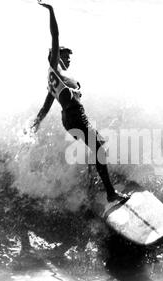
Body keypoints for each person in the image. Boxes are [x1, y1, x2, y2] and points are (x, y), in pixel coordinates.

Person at [32, 1, 129, 203]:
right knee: (99, 148)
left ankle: (93, 183)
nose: (68, 61)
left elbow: (45, 107)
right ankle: (110, 193)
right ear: (55, 56)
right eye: (65, 57)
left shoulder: (55, 82)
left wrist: (35, 124)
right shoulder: (55, 70)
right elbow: (55, 36)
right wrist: (51, 10)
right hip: (74, 117)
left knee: (95, 148)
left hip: (70, 119)